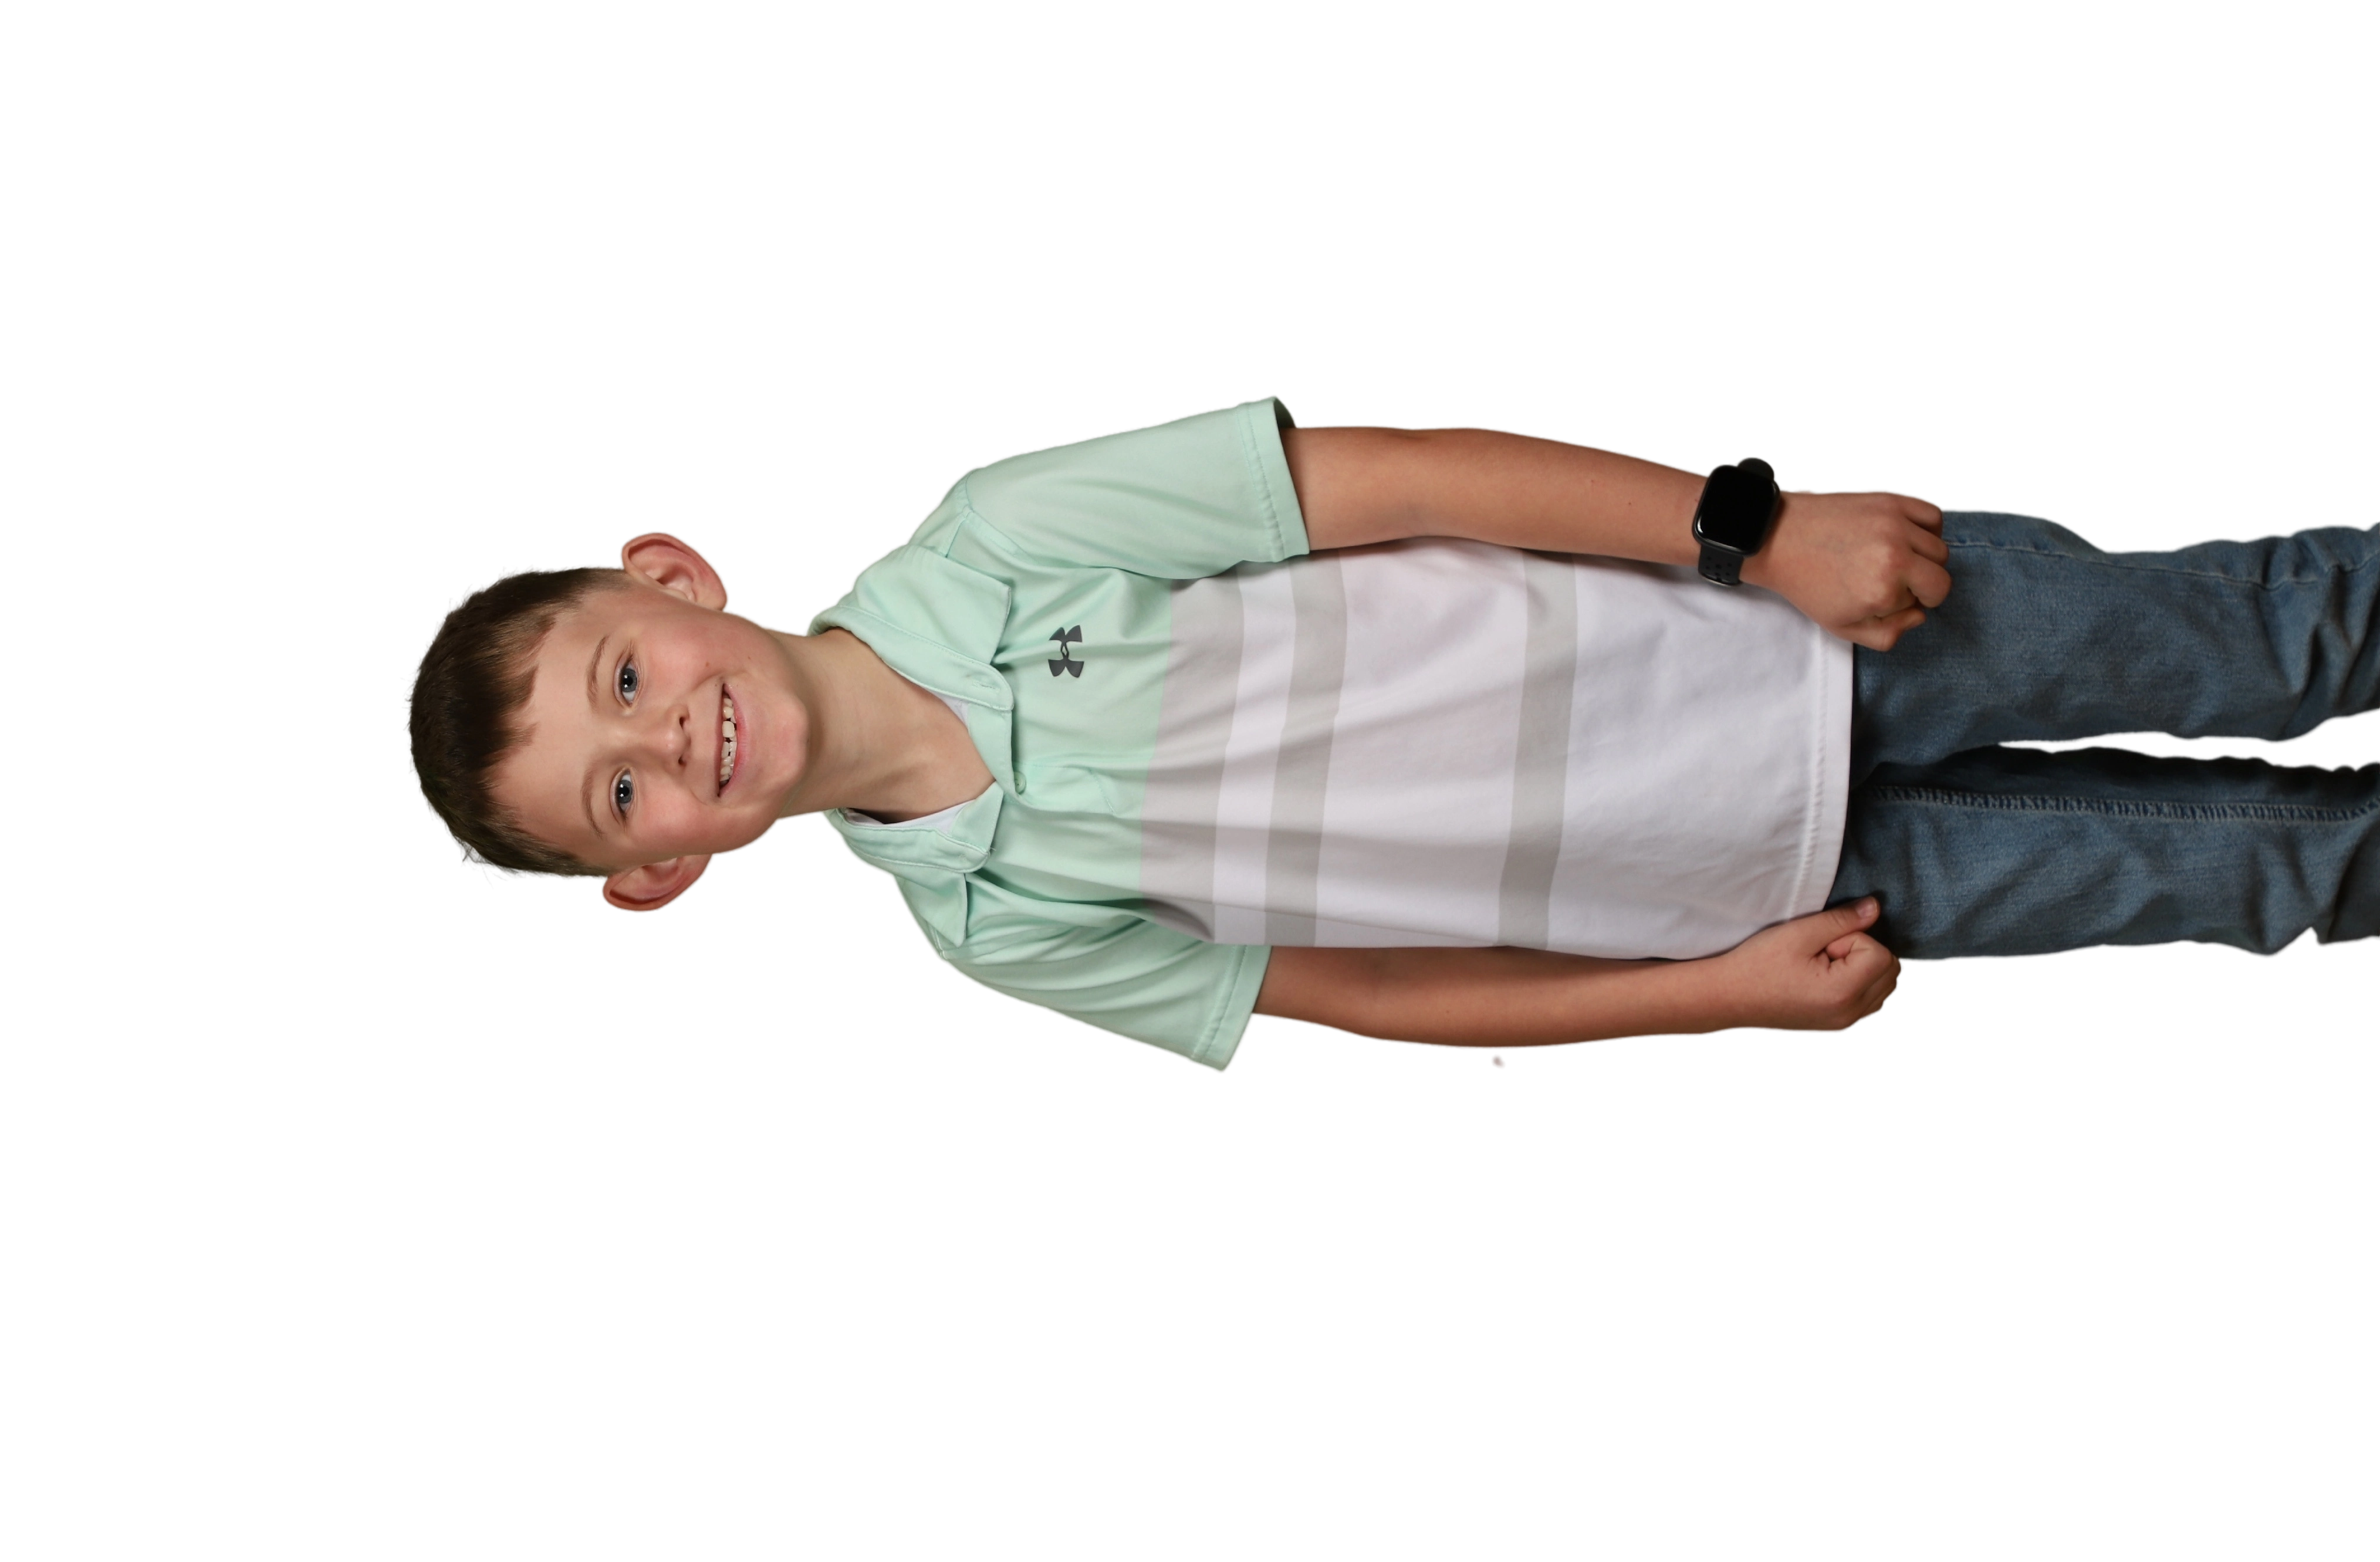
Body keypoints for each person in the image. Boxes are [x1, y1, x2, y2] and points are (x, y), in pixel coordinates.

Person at [399, 394, 2380, 1072]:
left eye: (623, 679)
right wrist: (1721, 1000)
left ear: (673, 576)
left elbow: (1401, 478)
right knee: (2257, 876)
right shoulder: (991, 922)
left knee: (2272, 642)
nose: (670, 739)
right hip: (1777, 885)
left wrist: (1756, 534)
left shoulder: (1003, 540)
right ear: (660, 873)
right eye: (620, 792)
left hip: (1809, 639)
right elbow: (1378, 992)